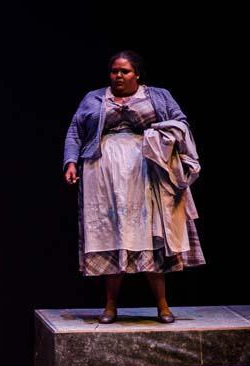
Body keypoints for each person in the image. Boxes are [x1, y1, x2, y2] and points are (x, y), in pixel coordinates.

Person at [63, 50, 205, 324]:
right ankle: (110, 306)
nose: (118, 76)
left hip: (146, 173)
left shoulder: (158, 95)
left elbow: (181, 123)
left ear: (137, 74)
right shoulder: (94, 98)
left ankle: (163, 305)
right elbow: (75, 130)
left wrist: (160, 135)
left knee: (150, 234)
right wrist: (70, 161)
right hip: (103, 176)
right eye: (114, 71)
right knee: (111, 234)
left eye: (124, 71)